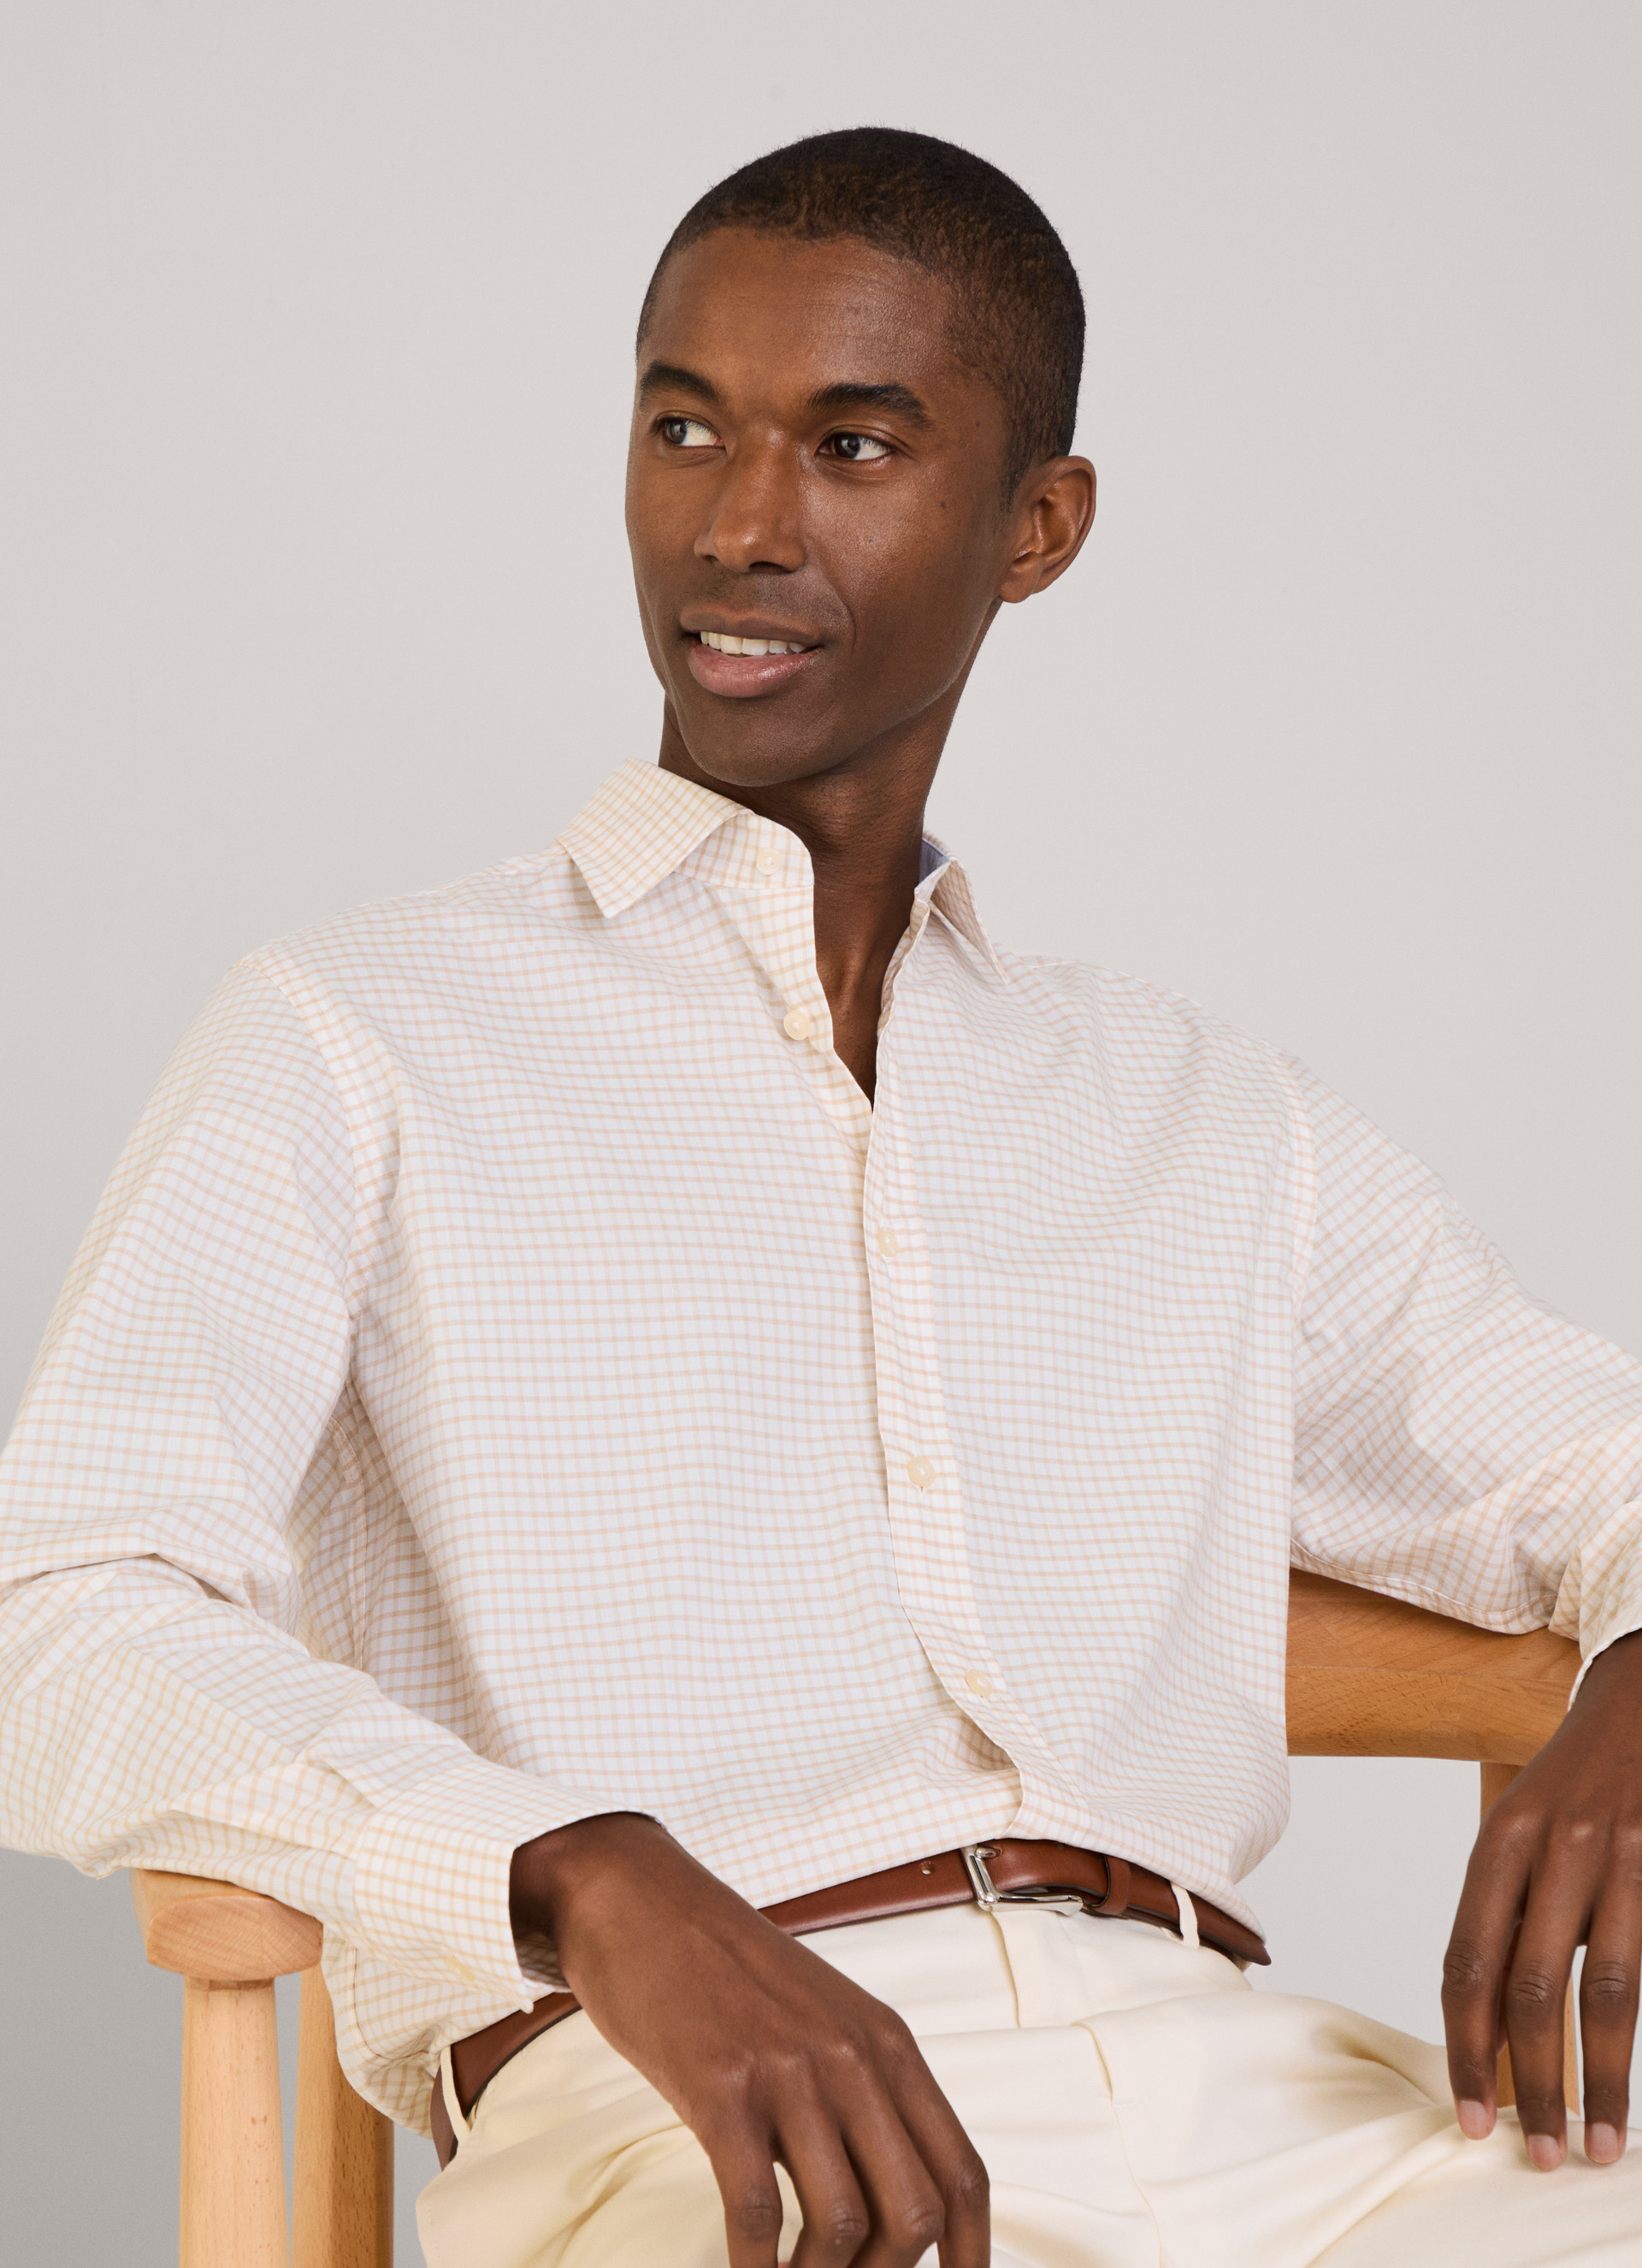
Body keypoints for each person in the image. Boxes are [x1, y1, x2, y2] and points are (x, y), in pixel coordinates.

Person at [2, 126, 1640, 2268]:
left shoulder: (1213, 1124)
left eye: (852, 446)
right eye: (686, 428)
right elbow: (64, 1611)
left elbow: (1597, 1465)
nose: (739, 525)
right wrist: (576, 1874)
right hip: (689, 2109)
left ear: (1036, 526)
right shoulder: (357, 1035)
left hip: (1276, 2107)